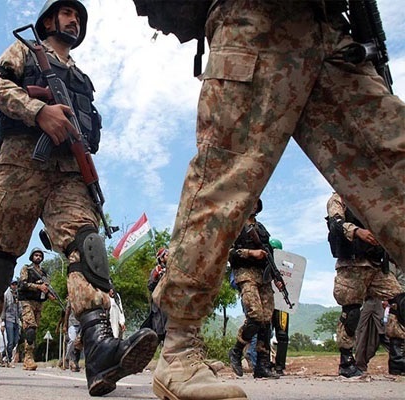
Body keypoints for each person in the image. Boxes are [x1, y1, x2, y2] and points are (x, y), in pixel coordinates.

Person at [131, 1, 405, 399]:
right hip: (257, 23)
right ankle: (179, 348)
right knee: (225, 181)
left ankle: (243, 356)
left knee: (394, 166)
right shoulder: (252, 231)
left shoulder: (263, 230)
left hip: (330, 28)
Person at [0, 0, 158, 393]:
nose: (74, 20)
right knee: (0, 260)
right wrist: (38, 111)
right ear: (48, 19)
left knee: (88, 247)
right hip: (22, 162)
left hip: (69, 171)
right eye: (67, 12)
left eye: (78, 17)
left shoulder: (81, 77)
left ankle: (100, 351)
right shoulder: (25, 50)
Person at [327, 192, 405, 378]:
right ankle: (346, 362)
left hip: (377, 266)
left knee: (400, 302)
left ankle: (397, 359)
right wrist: (356, 231)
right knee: (351, 313)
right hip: (352, 265)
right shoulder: (339, 198)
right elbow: (335, 223)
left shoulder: (373, 201)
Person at [227, 199, 280, 379]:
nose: (254, 205)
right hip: (245, 274)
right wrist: (250, 253)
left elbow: (269, 255)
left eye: (256, 202)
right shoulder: (236, 225)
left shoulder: (262, 228)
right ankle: (236, 351)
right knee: (255, 316)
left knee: (266, 320)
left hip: (263, 277)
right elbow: (228, 252)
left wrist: (276, 277)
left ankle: (262, 366)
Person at [17, 248, 53, 371]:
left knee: (34, 330)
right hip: (27, 301)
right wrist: (38, 286)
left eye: (40, 255)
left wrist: (49, 294)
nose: (38, 257)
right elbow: (23, 284)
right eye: (36, 255)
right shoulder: (27, 269)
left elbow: (46, 287)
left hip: (39, 303)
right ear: (32, 257)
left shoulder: (44, 273)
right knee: (30, 328)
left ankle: (29, 357)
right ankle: (28, 358)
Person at [268, 238, 289, 376]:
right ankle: (266, 363)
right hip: (269, 302)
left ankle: (279, 366)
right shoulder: (264, 265)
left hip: (282, 304)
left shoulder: (286, 266)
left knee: (282, 335)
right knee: (265, 333)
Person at [144, 248, 168, 342]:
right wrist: (156, 277)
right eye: (167, 255)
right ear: (161, 258)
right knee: (158, 331)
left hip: (170, 305)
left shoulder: (171, 270)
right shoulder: (156, 270)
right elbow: (150, 286)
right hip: (158, 307)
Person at [1, 280, 21, 368]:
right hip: (8, 319)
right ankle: (8, 359)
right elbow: (3, 308)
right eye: (13, 284)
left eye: (16, 284)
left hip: (16, 320)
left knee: (15, 341)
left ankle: (2, 355)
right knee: (10, 341)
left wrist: (22, 319)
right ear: (10, 285)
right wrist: (2, 322)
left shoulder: (18, 295)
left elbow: (20, 308)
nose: (14, 286)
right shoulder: (6, 295)